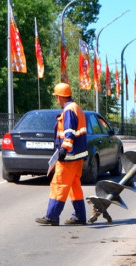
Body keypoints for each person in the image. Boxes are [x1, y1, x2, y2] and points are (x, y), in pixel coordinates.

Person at [35, 83, 88, 226]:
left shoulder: (69, 110)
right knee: (74, 185)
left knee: (59, 184)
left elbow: (69, 133)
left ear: (59, 97)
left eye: (56, 97)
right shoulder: (76, 108)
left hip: (69, 156)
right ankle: (80, 216)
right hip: (78, 155)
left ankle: (52, 216)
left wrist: (64, 149)